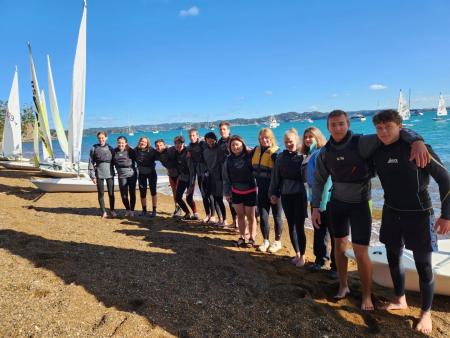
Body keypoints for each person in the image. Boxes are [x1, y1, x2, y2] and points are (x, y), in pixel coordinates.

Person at [312, 109, 429, 311]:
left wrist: (417, 141)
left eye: (341, 123)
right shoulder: (325, 151)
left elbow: (394, 132)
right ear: (328, 127)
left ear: (348, 124)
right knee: (338, 247)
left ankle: (366, 295)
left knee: (360, 251)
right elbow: (319, 180)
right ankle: (343, 285)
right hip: (337, 203)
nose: (337, 128)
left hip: (360, 205)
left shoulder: (363, 142)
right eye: (333, 125)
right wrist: (315, 207)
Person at [371, 109, 450, 334]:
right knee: (393, 257)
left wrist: (446, 215)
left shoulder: (415, 148)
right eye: (379, 128)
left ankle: (425, 313)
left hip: (419, 214)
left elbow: (445, 180)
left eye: (389, 127)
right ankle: (400, 299)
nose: (383, 132)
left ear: (400, 126)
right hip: (391, 211)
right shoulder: (377, 151)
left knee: (423, 265)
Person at [301, 127, 336, 276]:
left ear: (318, 137)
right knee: (319, 230)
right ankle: (320, 260)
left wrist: (320, 204)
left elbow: (327, 179)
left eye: (311, 136)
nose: (308, 139)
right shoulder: (309, 154)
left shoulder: (322, 152)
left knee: (334, 233)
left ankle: (335, 266)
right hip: (314, 199)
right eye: (306, 136)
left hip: (327, 200)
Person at [270, 128, 308, 266]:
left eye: (290, 141)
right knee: (291, 225)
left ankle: (303, 256)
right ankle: (297, 253)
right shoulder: (280, 157)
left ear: (296, 140)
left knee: (299, 226)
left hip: (300, 195)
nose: (288, 144)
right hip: (286, 195)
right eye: (286, 142)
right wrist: (273, 193)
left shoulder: (303, 156)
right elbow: (275, 177)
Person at [251, 128, 283, 253]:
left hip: (275, 191)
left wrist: (277, 192)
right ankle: (265, 241)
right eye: (262, 138)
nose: (264, 140)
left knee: (277, 216)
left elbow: (282, 172)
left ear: (271, 138)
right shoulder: (255, 151)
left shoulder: (277, 153)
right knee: (264, 216)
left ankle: (277, 242)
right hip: (262, 189)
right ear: (259, 139)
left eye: (267, 137)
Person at [223, 135, 257, 247]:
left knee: (251, 217)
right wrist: (227, 192)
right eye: (232, 145)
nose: (235, 147)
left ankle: (252, 238)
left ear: (242, 145)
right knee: (240, 215)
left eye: (237, 144)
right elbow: (226, 178)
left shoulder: (250, 156)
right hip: (236, 191)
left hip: (250, 191)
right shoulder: (228, 160)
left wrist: (251, 150)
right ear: (230, 147)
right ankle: (242, 237)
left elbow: (259, 148)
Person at [88, 131, 116, 218]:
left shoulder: (110, 148)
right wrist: (92, 176)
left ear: (106, 138)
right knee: (101, 193)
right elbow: (91, 162)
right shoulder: (94, 148)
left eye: (102, 138)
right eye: (99, 138)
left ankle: (112, 210)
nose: (101, 139)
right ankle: (103, 211)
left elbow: (115, 161)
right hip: (99, 173)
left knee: (111, 193)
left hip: (110, 173)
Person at [203, 132, 227, 226]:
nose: (210, 141)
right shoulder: (205, 151)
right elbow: (206, 164)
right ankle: (220, 219)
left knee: (220, 199)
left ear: (215, 139)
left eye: (211, 138)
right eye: (208, 139)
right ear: (205, 140)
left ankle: (225, 220)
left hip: (220, 177)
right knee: (215, 199)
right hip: (210, 178)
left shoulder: (220, 149)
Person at [155, 139, 181, 217]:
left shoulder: (171, 149)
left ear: (164, 145)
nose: (159, 147)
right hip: (170, 174)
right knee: (174, 192)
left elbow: (181, 148)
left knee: (179, 192)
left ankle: (184, 210)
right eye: (157, 146)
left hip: (179, 173)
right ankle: (177, 208)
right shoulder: (157, 154)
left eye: (161, 145)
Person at [174, 135, 198, 220]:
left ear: (183, 143)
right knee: (178, 197)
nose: (177, 145)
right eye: (176, 143)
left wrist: (191, 184)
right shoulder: (175, 152)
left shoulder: (188, 152)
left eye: (179, 143)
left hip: (190, 178)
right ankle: (187, 213)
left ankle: (195, 213)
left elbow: (192, 170)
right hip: (182, 178)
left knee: (189, 198)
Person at [218, 121, 237, 227]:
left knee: (237, 200)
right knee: (229, 198)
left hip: (234, 173)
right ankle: (235, 222)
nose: (222, 131)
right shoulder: (220, 142)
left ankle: (239, 222)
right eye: (220, 129)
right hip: (224, 174)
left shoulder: (233, 140)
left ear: (228, 130)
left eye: (224, 129)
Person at [187, 129, 208, 221]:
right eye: (190, 136)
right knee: (204, 195)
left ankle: (212, 216)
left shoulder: (203, 143)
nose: (192, 137)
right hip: (199, 173)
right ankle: (208, 215)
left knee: (210, 195)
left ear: (197, 136)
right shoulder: (190, 146)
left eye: (193, 135)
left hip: (207, 172)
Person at [114, 136, 137, 217]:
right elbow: (111, 162)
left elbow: (139, 160)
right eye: (119, 142)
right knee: (123, 194)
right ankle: (127, 209)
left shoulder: (131, 151)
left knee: (132, 193)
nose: (121, 144)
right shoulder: (114, 151)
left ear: (126, 143)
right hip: (121, 175)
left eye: (122, 143)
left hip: (131, 174)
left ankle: (132, 210)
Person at [135, 137, 158, 217]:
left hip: (151, 173)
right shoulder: (136, 150)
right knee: (142, 193)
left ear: (147, 143)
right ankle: (144, 210)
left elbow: (161, 155)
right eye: (141, 141)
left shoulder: (152, 150)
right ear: (139, 142)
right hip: (141, 174)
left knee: (153, 192)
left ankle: (154, 210)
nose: (143, 143)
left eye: (145, 142)